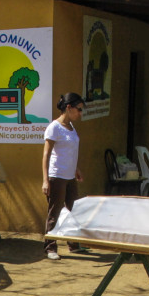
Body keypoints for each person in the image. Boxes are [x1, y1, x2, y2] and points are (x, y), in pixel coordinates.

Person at [42, 92, 86, 260]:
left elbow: (70, 152)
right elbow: (46, 155)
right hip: (57, 176)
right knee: (55, 212)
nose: (80, 113)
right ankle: (50, 247)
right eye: (79, 109)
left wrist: (76, 168)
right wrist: (46, 180)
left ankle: (73, 244)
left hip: (69, 176)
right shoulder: (54, 127)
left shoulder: (71, 127)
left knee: (73, 210)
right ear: (69, 108)